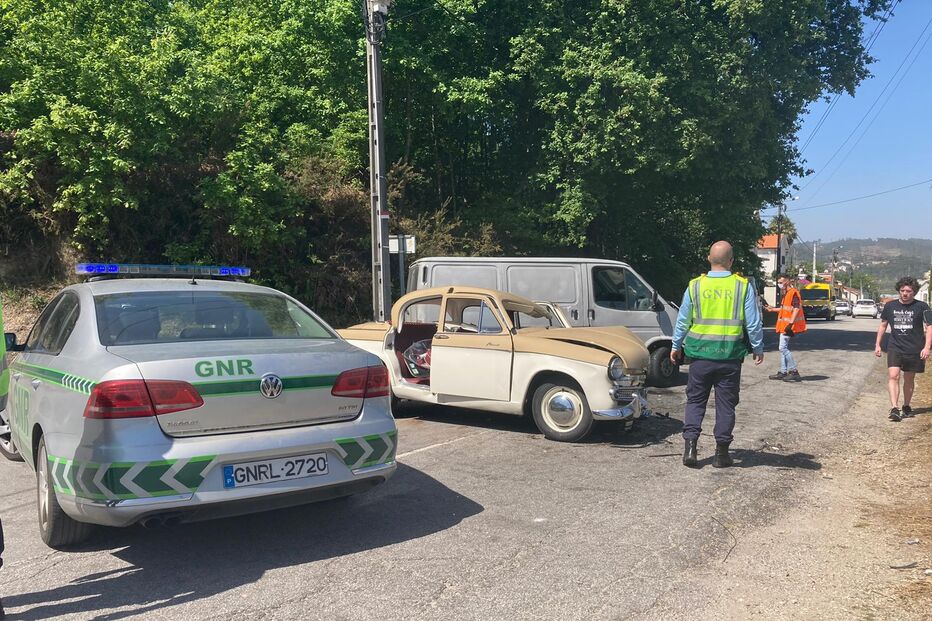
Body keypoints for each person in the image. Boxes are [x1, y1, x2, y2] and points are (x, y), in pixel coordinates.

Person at [670, 241, 764, 468]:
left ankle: (690, 449)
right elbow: (753, 323)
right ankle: (721, 454)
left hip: (700, 357)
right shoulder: (742, 286)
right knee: (726, 406)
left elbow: (683, 320)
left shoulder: (695, 286)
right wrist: (758, 348)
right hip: (730, 357)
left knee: (695, 401)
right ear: (731, 261)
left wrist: (676, 345)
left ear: (708, 258)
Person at [874, 276, 932, 422]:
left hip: (914, 348)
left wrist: (927, 347)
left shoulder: (922, 306)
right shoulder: (890, 306)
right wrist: (878, 344)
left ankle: (906, 406)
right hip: (895, 346)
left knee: (909, 378)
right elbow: (883, 325)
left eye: (908, 291)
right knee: (893, 376)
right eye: (902, 290)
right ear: (899, 291)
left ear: (914, 292)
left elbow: (930, 327)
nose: (905, 293)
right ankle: (894, 408)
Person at [764, 274, 807, 381]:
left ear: (787, 281)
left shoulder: (793, 293)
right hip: (785, 326)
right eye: (778, 282)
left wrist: (791, 323)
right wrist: (772, 309)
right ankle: (783, 371)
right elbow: (784, 309)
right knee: (784, 348)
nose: (779, 284)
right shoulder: (787, 294)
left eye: (781, 282)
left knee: (782, 348)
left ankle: (794, 371)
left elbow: (796, 308)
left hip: (788, 326)